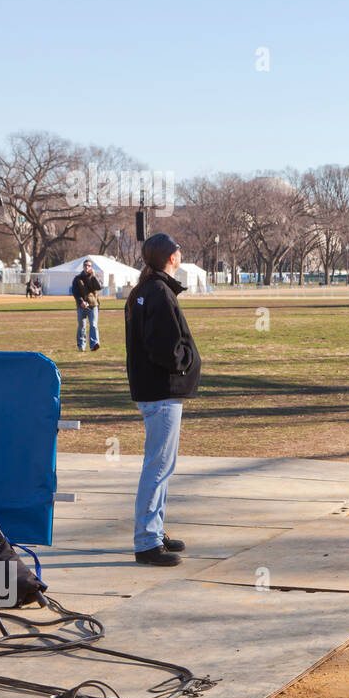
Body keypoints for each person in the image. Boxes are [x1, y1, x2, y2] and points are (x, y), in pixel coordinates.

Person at [124, 234, 202, 567]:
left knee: (161, 466)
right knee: (158, 466)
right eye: (177, 250)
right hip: (161, 391)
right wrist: (185, 360)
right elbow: (164, 347)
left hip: (154, 390)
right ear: (169, 257)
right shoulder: (157, 292)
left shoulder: (146, 290)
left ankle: (154, 530)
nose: (181, 253)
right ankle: (146, 541)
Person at [71, 259, 102, 351]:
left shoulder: (94, 277)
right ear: (83, 266)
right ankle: (81, 345)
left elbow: (99, 287)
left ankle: (94, 344)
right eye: (85, 265)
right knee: (82, 326)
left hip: (93, 305)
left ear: (91, 267)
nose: (87, 267)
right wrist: (81, 302)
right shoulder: (77, 279)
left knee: (93, 325)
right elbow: (75, 293)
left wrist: (94, 276)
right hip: (81, 306)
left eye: (89, 265)